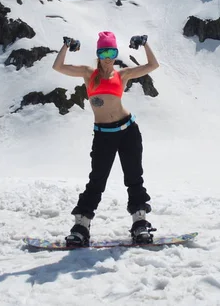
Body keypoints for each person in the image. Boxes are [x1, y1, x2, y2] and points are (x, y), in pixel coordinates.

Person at [52, 31, 160, 246]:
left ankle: (140, 223)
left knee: (134, 177)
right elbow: (58, 67)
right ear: (98, 54)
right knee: (97, 181)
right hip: (103, 135)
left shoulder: (123, 75)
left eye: (112, 51)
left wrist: (145, 44)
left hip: (128, 131)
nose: (108, 57)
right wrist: (66, 45)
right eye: (103, 52)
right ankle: (81, 225)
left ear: (116, 52)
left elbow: (152, 65)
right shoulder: (88, 73)